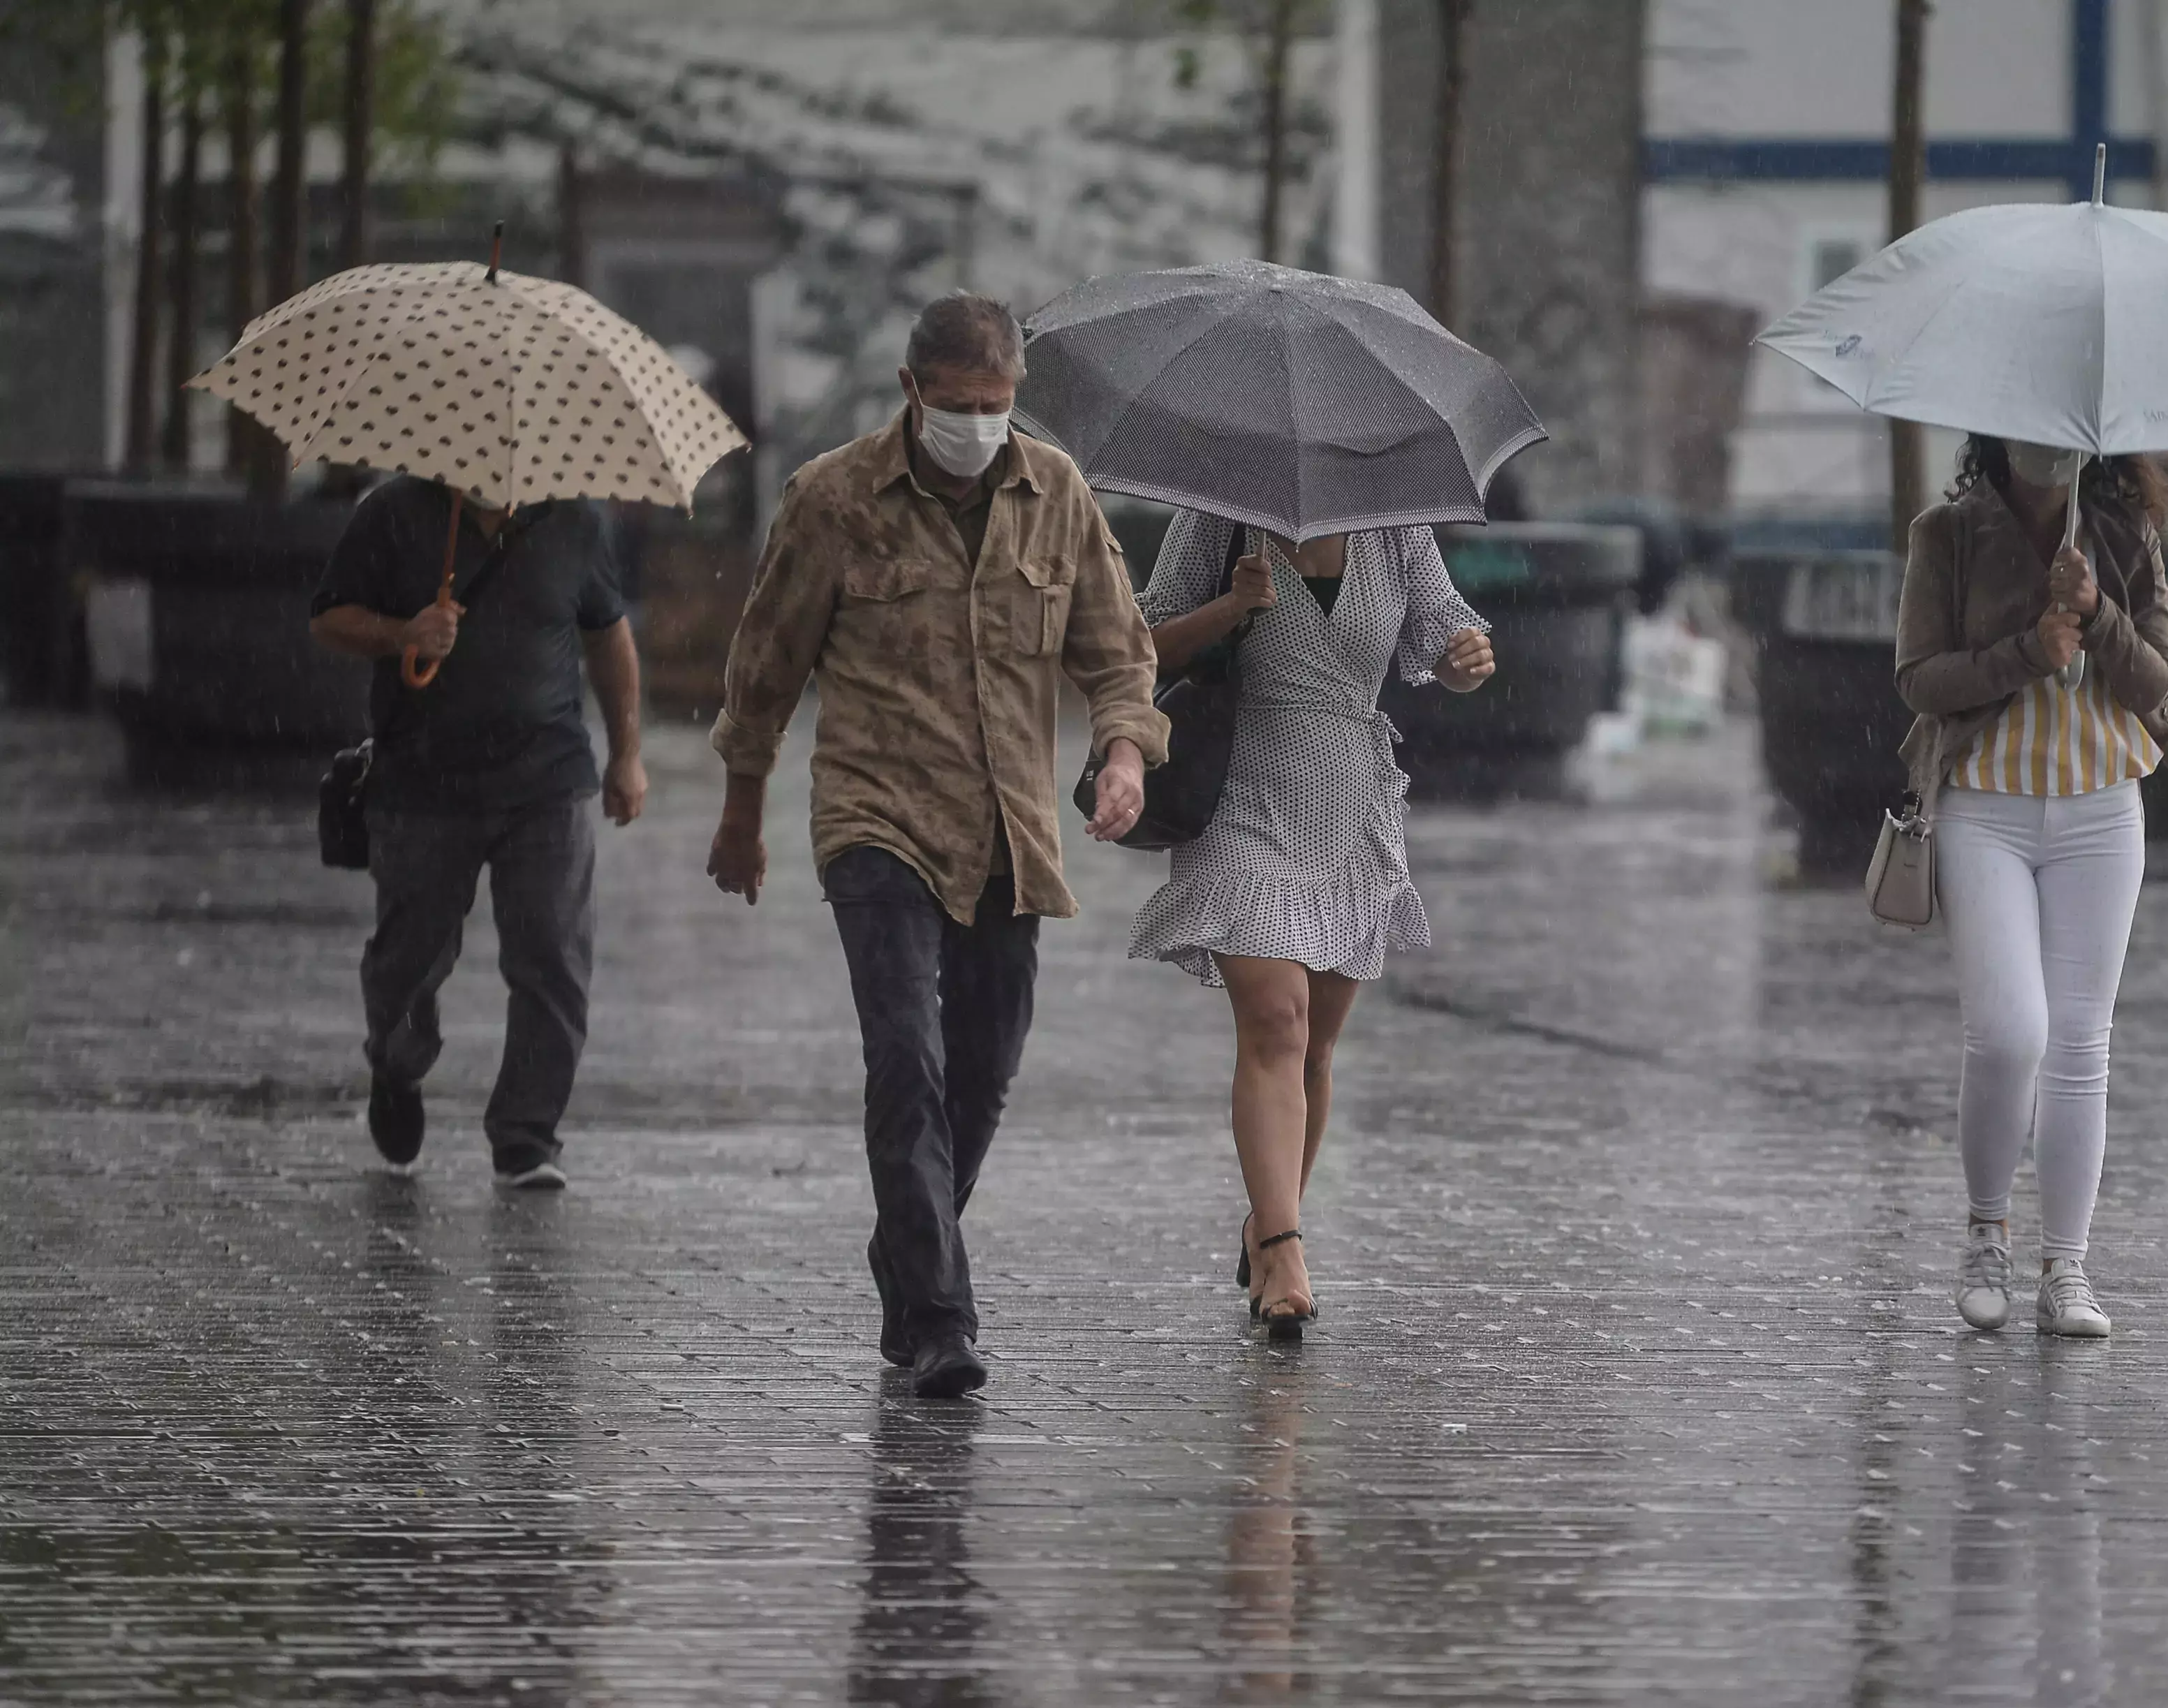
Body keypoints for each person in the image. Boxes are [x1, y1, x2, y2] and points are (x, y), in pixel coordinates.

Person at [705, 293, 1167, 1399]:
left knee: (985, 1070)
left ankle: (909, 1248)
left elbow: (1118, 654)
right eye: (958, 404)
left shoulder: (1055, 493)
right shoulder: (834, 498)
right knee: (903, 1052)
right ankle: (938, 1318)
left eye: (998, 404)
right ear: (912, 392)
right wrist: (739, 808)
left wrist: (1123, 755)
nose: (977, 423)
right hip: (877, 815)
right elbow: (766, 665)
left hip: (1010, 825)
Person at [1130, 510, 1496, 1339]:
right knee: (1275, 1023)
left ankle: (1266, 1222)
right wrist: (1229, 608)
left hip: (1350, 806)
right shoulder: (1219, 517)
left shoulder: (1395, 527)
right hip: (1241, 801)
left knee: (1317, 1049)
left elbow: (1447, 634)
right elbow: (1140, 645)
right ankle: (1287, 1244)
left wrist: (1467, 660)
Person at [1892, 436, 2168, 1339]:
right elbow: (1919, 678)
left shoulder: (2123, 530)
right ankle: (1987, 1228)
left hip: (2103, 810)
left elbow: (2157, 676)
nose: (2047, 453)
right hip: (1986, 804)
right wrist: (2030, 646)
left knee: (2079, 1041)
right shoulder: (1945, 533)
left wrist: (2098, 612)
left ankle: (2067, 1264)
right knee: (2008, 1030)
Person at [308, 476, 646, 1190]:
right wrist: (403, 632)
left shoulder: (576, 520)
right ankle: (396, 1065)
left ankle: (527, 1135)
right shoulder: (394, 512)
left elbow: (608, 634)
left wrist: (627, 754)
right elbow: (328, 618)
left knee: (554, 954)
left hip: (548, 778)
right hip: (423, 782)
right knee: (411, 956)